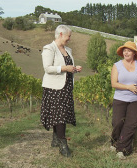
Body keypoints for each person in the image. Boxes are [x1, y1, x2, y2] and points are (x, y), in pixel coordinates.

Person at [40, 25, 82, 158]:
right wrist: (64, 68)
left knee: (59, 114)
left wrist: (74, 68)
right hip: (54, 87)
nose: (70, 39)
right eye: (68, 36)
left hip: (67, 86)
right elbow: (47, 68)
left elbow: (67, 67)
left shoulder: (67, 49)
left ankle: (55, 139)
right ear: (61, 34)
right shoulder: (49, 48)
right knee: (60, 114)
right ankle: (63, 145)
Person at [111, 41, 137, 159]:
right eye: (124, 50)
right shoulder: (117, 65)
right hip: (120, 99)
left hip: (136, 100)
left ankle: (122, 149)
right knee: (118, 123)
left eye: (128, 50)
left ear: (134, 53)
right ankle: (114, 141)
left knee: (131, 125)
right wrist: (128, 87)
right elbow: (114, 83)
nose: (126, 52)